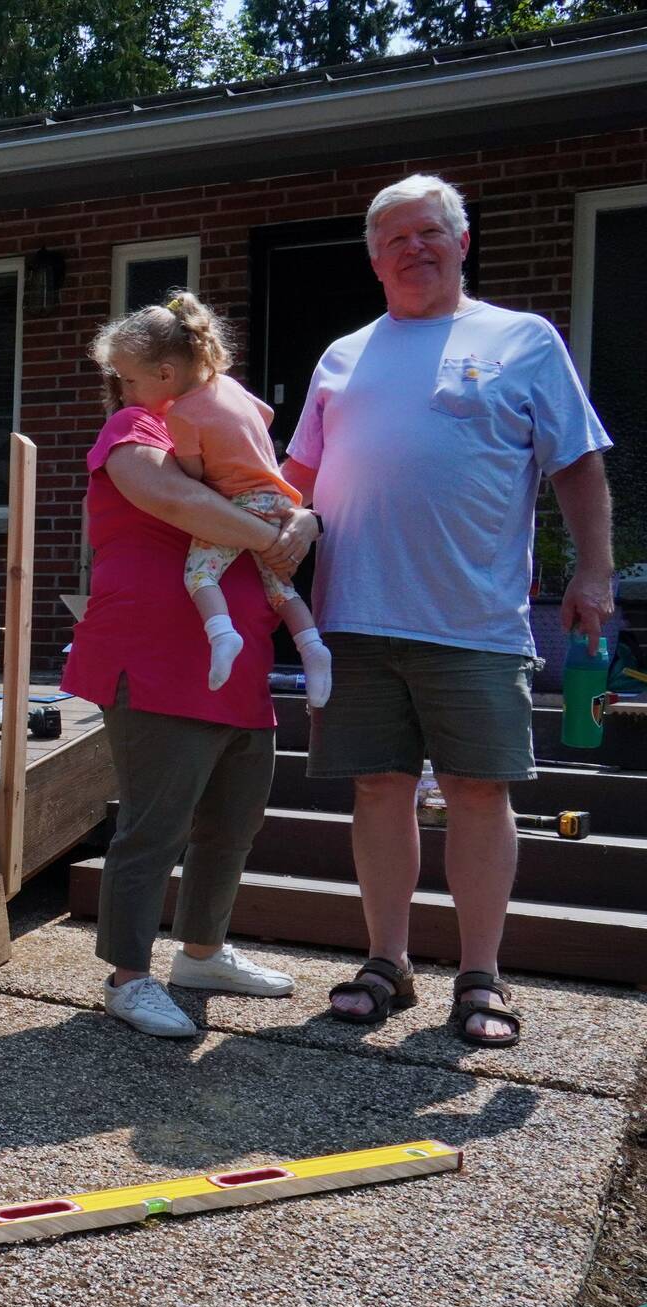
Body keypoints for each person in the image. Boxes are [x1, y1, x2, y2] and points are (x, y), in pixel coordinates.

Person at [284, 174, 613, 1049]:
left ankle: (481, 974)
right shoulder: (344, 354)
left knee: (477, 790)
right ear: (374, 258)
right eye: (395, 239)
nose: (414, 248)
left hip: (473, 619)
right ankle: (387, 961)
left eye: (430, 232)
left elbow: (577, 464)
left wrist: (595, 572)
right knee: (377, 788)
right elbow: (297, 485)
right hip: (352, 613)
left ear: (461, 242)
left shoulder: (522, 339)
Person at [61, 306, 320, 1038]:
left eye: (128, 376)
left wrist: (306, 520)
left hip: (235, 657)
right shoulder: (133, 431)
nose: (120, 389)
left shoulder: (225, 422)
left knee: (233, 821)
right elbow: (171, 498)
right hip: (153, 656)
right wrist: (278, 537)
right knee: (153, 826)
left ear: (167, 371)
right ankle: (128, 975)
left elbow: (285, 492)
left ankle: (202, 953)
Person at [147, 293, 335, 709]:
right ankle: (312, 649)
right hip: (278, 497)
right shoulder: (228, 384)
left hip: (241, 502)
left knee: (199, 575)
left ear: (167, 370)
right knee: (279, 588)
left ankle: (221, 634)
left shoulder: (181, 413)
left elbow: (194, 478)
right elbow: (266, 414)